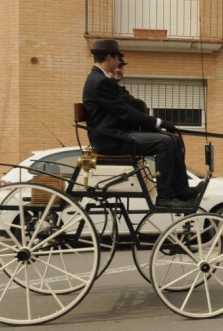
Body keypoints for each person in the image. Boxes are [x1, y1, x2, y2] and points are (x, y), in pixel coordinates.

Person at [82, 39, 202, 207]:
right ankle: (166, 196)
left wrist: (160, 124)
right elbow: (125, 112)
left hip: (117, 134)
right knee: (165, 142)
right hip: (111, 140)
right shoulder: (100, 81)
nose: (119, 63)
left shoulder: (100, 79)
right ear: (109, 57)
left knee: (173, 138)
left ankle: (182, 190)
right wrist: (159, 122)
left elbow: (127, 110)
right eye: (118, 58)